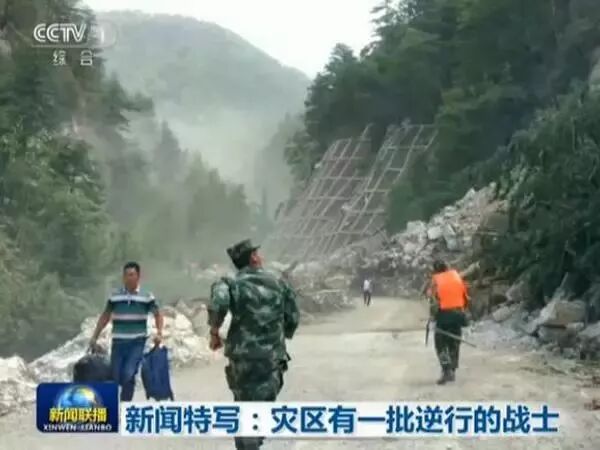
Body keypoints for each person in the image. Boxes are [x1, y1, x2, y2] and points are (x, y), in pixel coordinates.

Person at [208, 239, 299, 450]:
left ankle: (248, 438)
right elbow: (293, 318)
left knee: (243, 403)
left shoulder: (231, 283)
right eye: (258, 252)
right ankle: (252, 438)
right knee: (263, 405)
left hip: (242, 357)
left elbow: (219, 302)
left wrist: (214, 332)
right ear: (254, 258)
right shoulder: (279, 283)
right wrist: (283, 332)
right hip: (271, 357)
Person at [89, 261, 164, 401]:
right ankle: (116, 404)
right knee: (116, 376)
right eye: (126, 275)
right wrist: (95, 336)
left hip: (137, 342)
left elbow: (158, 315)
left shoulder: (146, 296)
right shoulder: (115, 296)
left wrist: (159, 333)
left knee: (128, 374)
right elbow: (105, 316)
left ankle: (125, 405)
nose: (129, 278)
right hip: (118, 342)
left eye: (132, 275)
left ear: (138, 276)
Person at [428, 259, 469, 385]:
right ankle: (453, 370)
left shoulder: (436, 280)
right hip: (459, 314)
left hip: (444, 315)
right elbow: (465, 298)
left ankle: (446, 370)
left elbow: (433, 302)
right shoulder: (456, 277)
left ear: (435, 270)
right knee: (454, 342)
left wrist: (433, 318)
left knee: (440, 343)